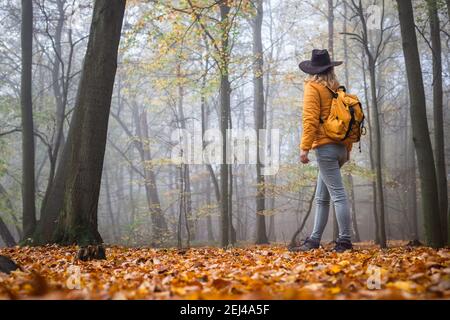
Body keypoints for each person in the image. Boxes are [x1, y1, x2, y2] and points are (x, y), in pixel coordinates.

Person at [293, 49, 353, 253]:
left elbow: (309, 119)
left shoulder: (312, 87)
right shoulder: (336, 88)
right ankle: (314, 240)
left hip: (326, 148)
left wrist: (304, 148)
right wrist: (347, 149)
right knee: (322, 197)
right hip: (341, 148)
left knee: (338, 194)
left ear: (313, 70)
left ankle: (345, 241)